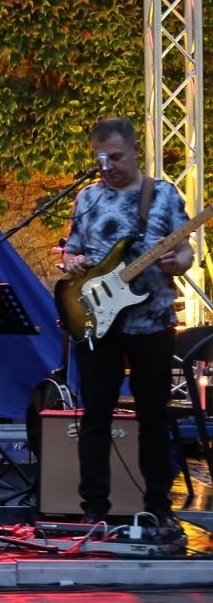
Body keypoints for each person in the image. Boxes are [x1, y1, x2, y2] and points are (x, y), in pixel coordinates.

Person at [60, 117, 190, 526]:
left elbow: (186, 251)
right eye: (100, 159)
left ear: (135, 150)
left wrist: (177, 263)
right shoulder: (87, 198)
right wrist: (73, 262)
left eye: (115, 157)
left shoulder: (163, 195)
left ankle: (158, 507)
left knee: (154, 416)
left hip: (153, 321)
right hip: (99, 320)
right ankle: (94, 508)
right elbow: (71, 251)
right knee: (95, 417)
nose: (108, 166)